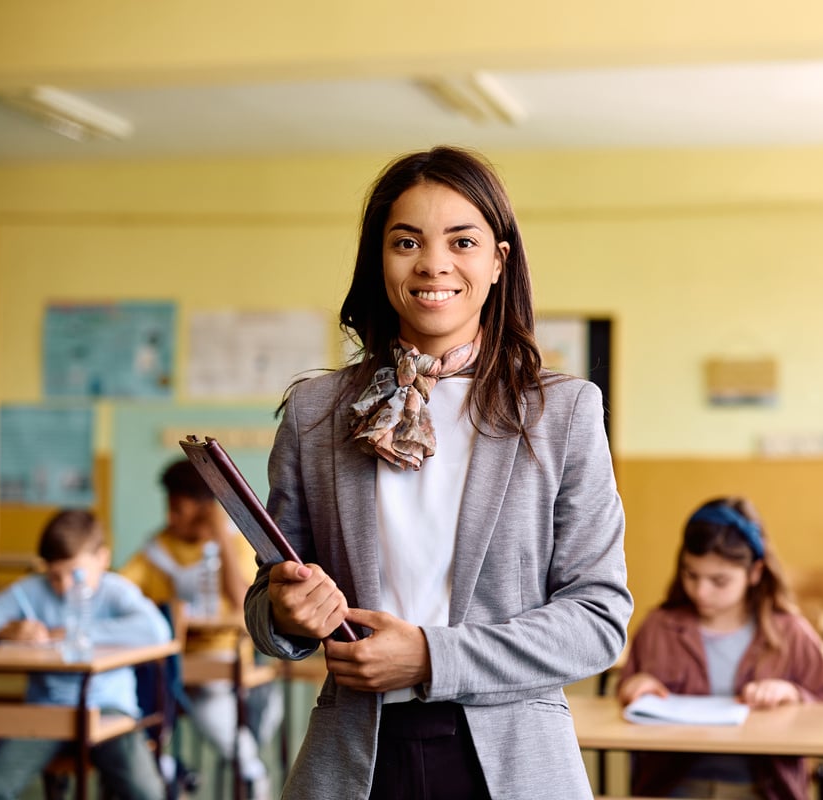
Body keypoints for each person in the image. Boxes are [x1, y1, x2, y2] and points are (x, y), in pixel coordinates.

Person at [243, 145, 632, 799]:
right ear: (378, 260)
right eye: (406, 242)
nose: (433, 264)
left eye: (462, 241)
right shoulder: (316, 413)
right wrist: (285, 612)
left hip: (512, 763)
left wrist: (430, 656)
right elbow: (266, 604)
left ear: (498, 261)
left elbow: (598, 619)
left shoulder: (563, 412)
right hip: (356, 762)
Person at [617, 497, 823, 799]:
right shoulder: (658, 627)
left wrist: (792, 693)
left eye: (719, 581)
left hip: (762, 789)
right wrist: (634, 686)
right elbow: (624, 692)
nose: (701, 591)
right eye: (691, 575)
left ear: (755, 572)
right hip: (673, 788)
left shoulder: (790, 631)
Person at [0, 509, 171, 800]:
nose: (64, 586)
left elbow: (157, 631)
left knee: (147, 793)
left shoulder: (115, 589)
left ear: (102, 559)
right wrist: (4, 629)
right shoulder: (31, 591)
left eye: (75, 574)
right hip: (46, 710)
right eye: (54, 576)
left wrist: (74, 632)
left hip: (109, 709)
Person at [121, 459, 282, 797]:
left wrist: (222, 536)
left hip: (224, 658)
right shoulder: (158, 548)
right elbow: (120, 590)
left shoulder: (235, 543)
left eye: (178, 509)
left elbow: (243, 601)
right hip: (175, 660)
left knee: (209, 696)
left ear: (205, 509)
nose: (171, 518)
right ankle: (177, 767)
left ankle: (249, 770)